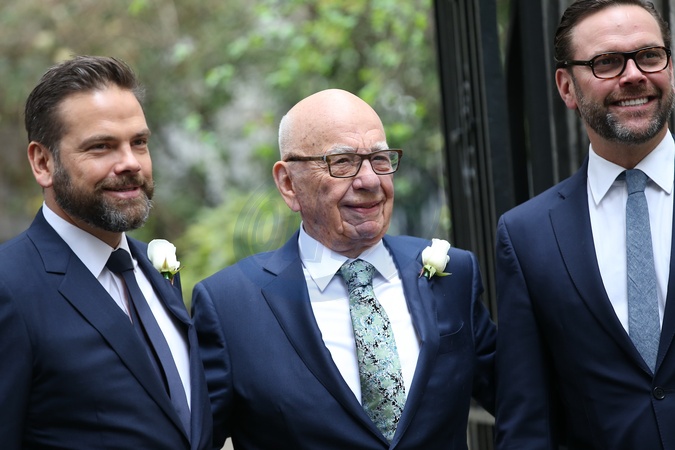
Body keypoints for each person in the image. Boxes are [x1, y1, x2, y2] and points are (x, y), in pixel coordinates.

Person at [192, 88, 496, 449]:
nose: (370, 180)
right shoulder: (229, 305)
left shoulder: (453, 275)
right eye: (342, 162)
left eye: (379, 159)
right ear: (288, 184)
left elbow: (523, 403)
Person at [0, 55, 212, 449]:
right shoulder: (9, 287)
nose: (130, 163)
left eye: (139, 143)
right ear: (43, 162)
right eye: (101, 147)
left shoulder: (156, 268)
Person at [495, 1, 675, 449]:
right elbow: (527, 421)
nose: (633, 75)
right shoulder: (527, 236)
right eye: (607, 62)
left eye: (649, 55)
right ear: (567, 87)